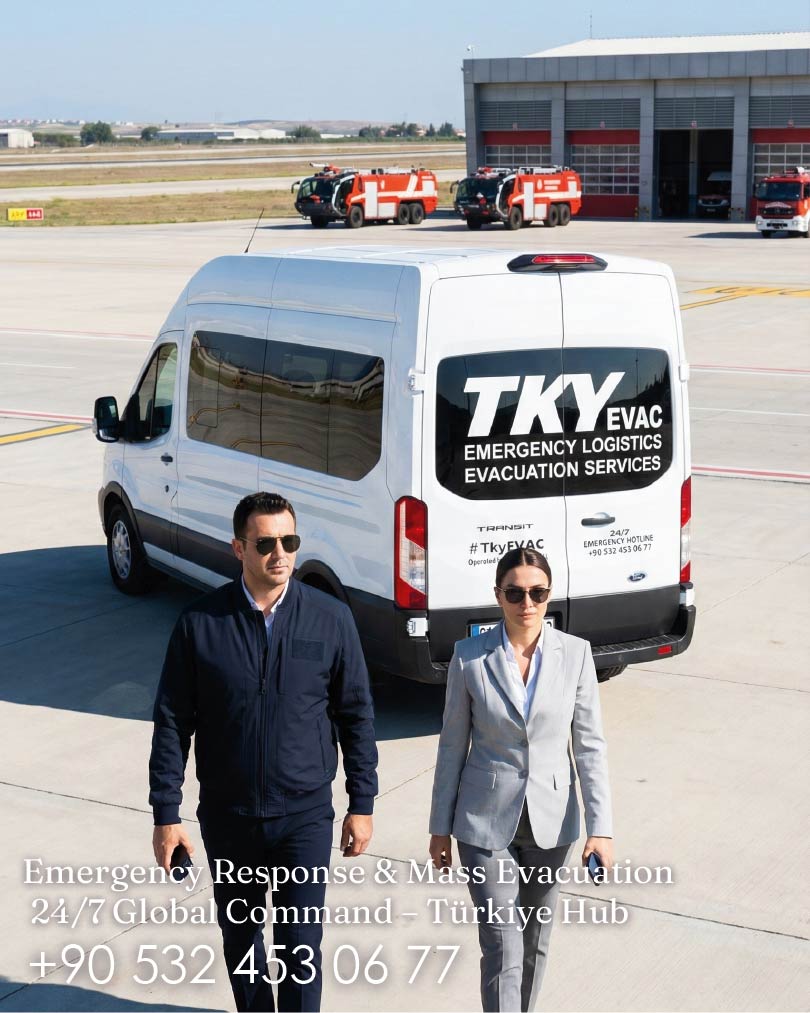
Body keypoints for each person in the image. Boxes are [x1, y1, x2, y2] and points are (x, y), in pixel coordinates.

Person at [149, 491, 378, 1013]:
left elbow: (356, 715)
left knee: (300, 947)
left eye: (289, 542)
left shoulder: (330, 618)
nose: (280, 554)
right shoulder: (200, 623)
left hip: (304, 817)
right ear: (239, 548)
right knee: (243, 945)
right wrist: (167, 813)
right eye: (266, 543)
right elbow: (172, 722)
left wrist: (362, 803)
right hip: (229, 817)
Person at [428, 547, 613, 1013]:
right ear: (498, 595)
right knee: (502, 942)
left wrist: (601, 828)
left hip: (553, 821)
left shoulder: (576, 655)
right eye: (515, 593)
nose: (526, 603)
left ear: (549, 595)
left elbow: (589, 746)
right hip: (483, 823)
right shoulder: (469, 657)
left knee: (534, 941)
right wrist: (439, 827)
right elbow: (452, 746)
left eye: (537, 593)